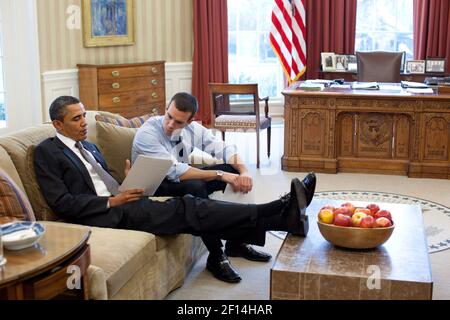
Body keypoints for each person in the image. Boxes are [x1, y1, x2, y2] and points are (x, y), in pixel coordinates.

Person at [34, 96, 316, 284]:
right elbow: (62, 203)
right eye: (76, 119)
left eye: (84, 116)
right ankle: (278, 212)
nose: (84, 122)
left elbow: (105, 182)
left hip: (125, 201)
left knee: (199, 199)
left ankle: (278, 217)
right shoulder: (48, 152)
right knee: (190, 202)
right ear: (57, 124)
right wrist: (112, 202)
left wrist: (126, 183)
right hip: (103, 215)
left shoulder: (90, 147)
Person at [131, 92, 317, 281]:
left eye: (179, 122)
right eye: (169, 116)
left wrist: (243, 172)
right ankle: (217, 254)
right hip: (153, 187)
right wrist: (220, 175)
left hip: (178, 179)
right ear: (166, 109)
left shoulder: (192, 130)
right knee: (196, 187)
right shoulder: (148, 133)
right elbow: (175, 171)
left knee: (233, 172)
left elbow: (224, 148)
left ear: (189, 121)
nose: (170, 125)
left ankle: (237, 243)